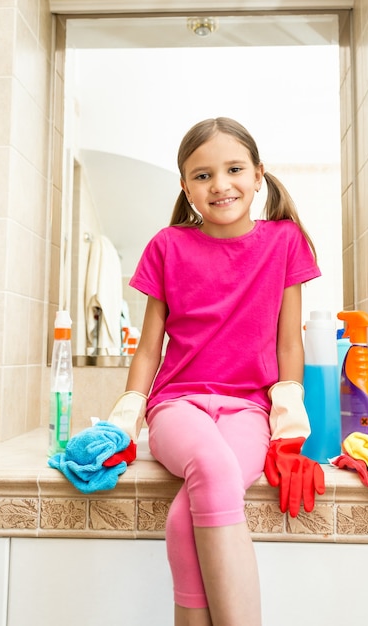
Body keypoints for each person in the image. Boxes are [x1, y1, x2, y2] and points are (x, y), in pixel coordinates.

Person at [117, 117, 325, 626]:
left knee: (194, 505)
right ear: (186, 187)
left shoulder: (284, 242)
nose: (220, 185)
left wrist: (288, 418)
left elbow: (288, 338)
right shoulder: (168, 246)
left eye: (234, 169)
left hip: (248, 408)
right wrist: (125, 416)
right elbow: (148, 348)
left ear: (259, 175)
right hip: (177, 405)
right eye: (202, 175)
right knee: (211, 469)